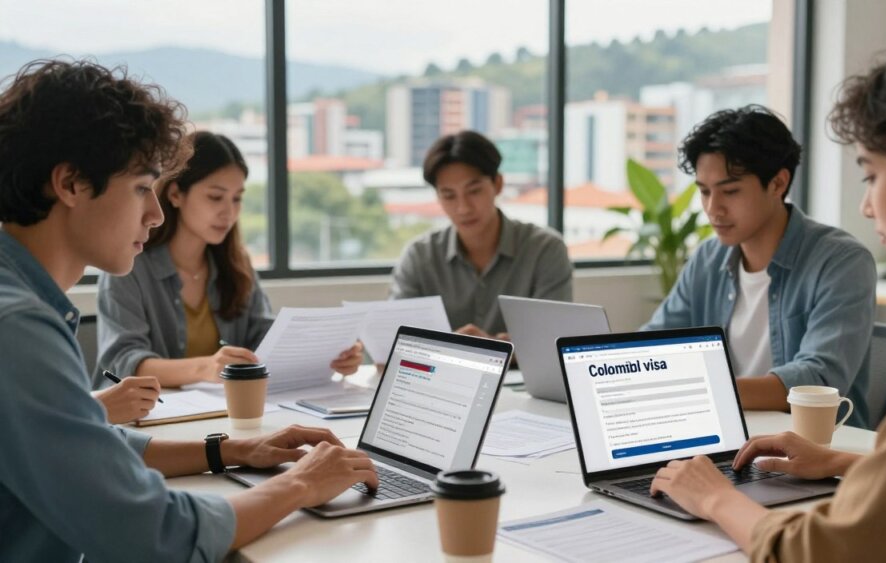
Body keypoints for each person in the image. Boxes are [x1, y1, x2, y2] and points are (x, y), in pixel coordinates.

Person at [649, 34, 886, 561]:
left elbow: (830, 551)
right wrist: (843, 462)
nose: (868, 207)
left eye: (871, 175)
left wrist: (713, 498)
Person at [0, 59, 378, 562]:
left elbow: (82, 450)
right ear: (70, 183)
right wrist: (301, 486)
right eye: (142, 189)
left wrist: (230, 449)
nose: (156, 215)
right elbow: (153, 534)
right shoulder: (18, 327)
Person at [95, 131, 363, 416]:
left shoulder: (236, 264)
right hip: (143, 421)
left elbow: (263, 338)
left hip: (222, 418)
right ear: (175, 194)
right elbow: (123, 362)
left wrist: (329, 353)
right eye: (215, 197)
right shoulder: (128, 265)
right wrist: (206, 367)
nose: (229, 212)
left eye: (237, 199)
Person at [643, 106, 874, 424]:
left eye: (730, 191)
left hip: (816, 452)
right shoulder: (707, 259)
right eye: (705, 192)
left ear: (778, 183)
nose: (713, 209)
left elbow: (818, 380)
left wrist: (706, 391)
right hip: (727, 435)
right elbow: (653, 346)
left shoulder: (841, 262)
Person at [389, 130, 572, 340]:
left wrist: (490, 347)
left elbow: (554, 339)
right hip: (443, 373)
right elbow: (398, 341)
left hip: (524, 374)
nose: (463, 208)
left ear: (498, 184)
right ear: (438, 197)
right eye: (449, 196)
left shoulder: (545, 250)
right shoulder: (419, 256)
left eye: (474, 191)